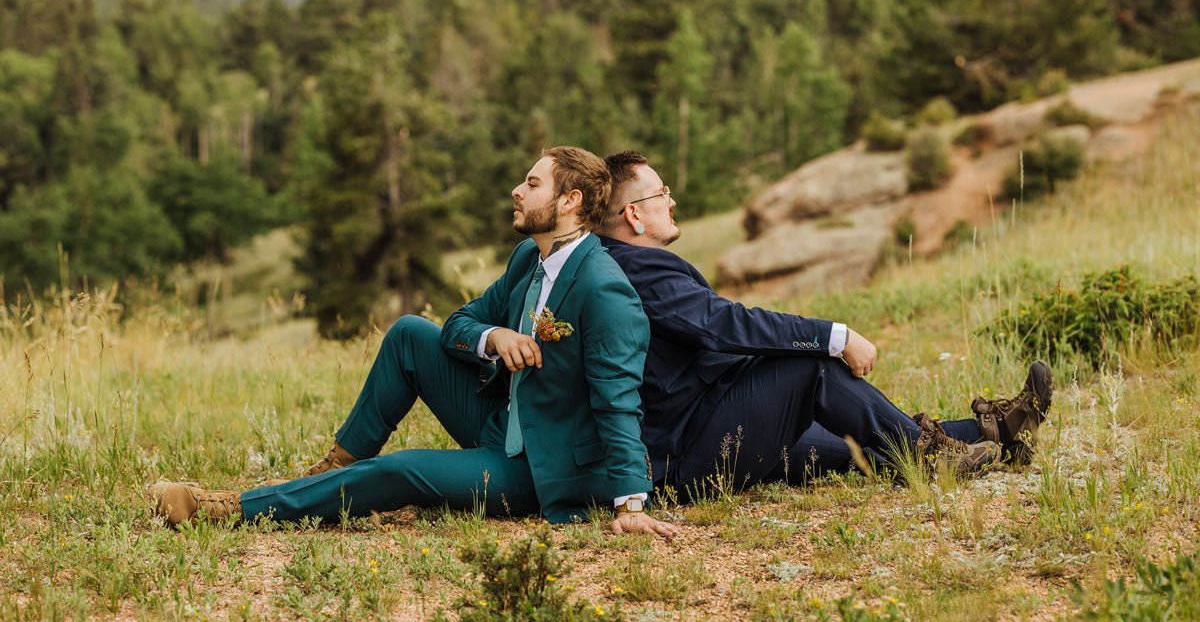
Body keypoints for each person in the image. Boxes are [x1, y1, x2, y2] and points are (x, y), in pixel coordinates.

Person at [150, 146, 678, 539]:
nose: (517, 191)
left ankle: (226, 508)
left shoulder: (603, 288)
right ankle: (333, 473)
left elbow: (618, 400)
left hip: (541, 468)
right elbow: (458, 325)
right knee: (408, 333)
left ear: (570, 200)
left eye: (532, 184)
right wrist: (494, 337)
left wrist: (630, 504)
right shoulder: (528, 260)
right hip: (501, 423)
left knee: (402, 469)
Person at [596, 151, 1052, 496]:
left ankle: (1000, 433)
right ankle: (935, 461)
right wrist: (833, 337)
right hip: (690, 453)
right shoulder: (636, 270)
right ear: (634, 214)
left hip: (712, 425)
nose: (671, 200)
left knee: (859, 444)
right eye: (661, 194)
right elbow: (722, 324)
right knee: (811, 366)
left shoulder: (628, 264)